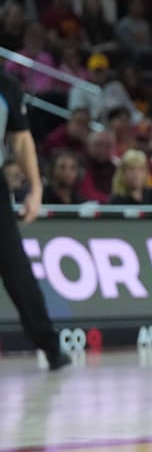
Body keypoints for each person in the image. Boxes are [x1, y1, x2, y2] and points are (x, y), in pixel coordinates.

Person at [0, 70, 70, 370]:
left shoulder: (5, 85)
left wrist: (36, 190)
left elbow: (22, 139)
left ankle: (50, 346)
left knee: (16, 267)